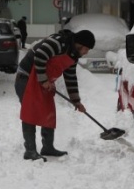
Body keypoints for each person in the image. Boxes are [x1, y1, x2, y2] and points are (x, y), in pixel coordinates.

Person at [15, 29, 95, 161]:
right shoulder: (58, 43)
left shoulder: (73, 55)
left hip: (43, 82)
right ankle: (30, 151)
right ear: (79, 44)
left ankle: (47, 147)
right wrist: (44, 80)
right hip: (26, 77)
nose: (86, 52)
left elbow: (70, 78)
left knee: (48, 111)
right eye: (86, 49)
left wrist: (76, 101)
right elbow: (40, 55)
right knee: (31, 112)